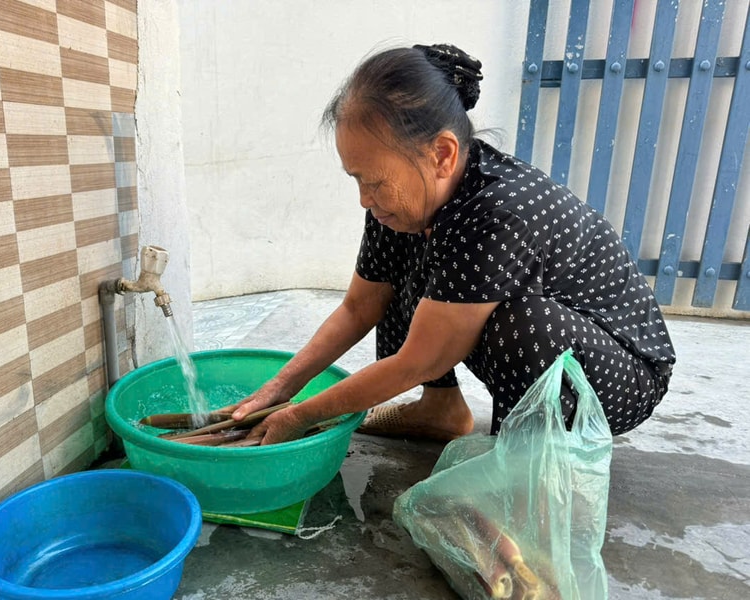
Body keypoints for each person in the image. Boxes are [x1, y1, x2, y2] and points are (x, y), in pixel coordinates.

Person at [231, 43, 676, 445]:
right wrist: (280, 388)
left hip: (618, 372)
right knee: (403, 268)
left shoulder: (502, 211)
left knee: (523, 323)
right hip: (555, 344)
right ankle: (440, 409)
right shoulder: (400, 204)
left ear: (441, 155)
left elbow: (418, 360)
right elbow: (359, 307)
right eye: (357, 180)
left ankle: (526, 462)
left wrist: (302, 415)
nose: (365, 199)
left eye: (375, 182)